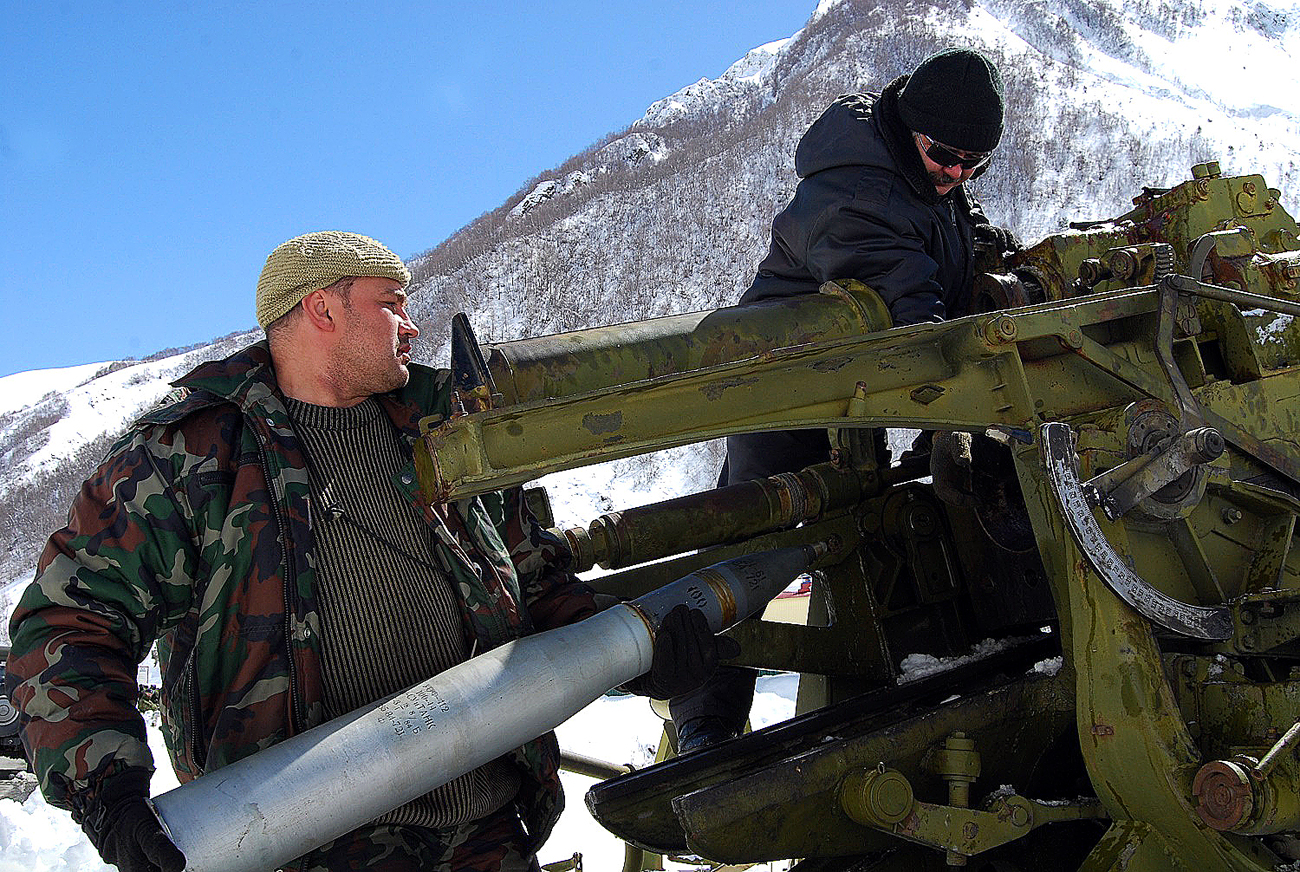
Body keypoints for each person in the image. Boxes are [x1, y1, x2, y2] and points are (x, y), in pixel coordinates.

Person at [6, 231, 733, 872]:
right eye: (392, 304)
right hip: (298, 840)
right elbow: (71, 624)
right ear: (322, 309)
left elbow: (534, 579)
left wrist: (633, 651)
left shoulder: (445, 431)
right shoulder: (186, 456)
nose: (412, 325)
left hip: (485, 828)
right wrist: (107, 789)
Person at [670, 46, 1019, 752]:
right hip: (786, 389)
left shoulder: (920, 169)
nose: (958, 175)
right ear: (909, 129)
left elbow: (956, 243)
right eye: (947, 157)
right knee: (756, 544)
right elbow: (909, 311)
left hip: (854, 393)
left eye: (975, 165)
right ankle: (705, 725)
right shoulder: (857, 193)